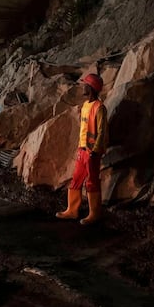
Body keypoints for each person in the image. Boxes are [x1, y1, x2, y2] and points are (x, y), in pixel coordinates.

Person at [56, 72, 109, 225]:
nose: (82, 86)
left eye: (85, 84)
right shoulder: (86, 106)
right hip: (83, 150)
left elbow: (102, 131)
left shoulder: (100, 108)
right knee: (77, 179)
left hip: (92, 152)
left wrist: (96, 150)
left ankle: (94, 213)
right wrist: (80, 147)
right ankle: (72, 210)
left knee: (92, 181)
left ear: (91, 87)